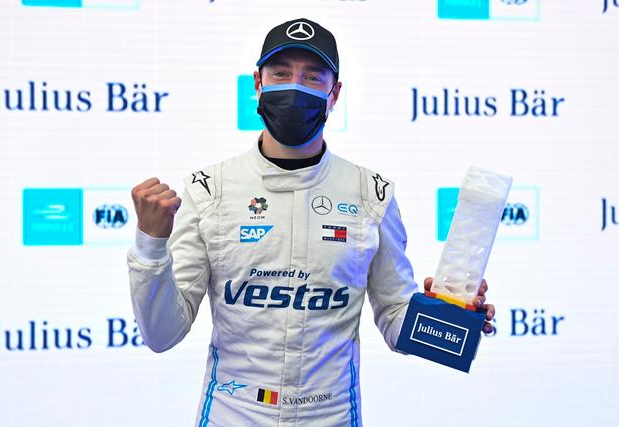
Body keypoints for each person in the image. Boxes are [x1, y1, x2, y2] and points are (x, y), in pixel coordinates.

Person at [127, 18, 495, 426]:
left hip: (331, 416)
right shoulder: (209, 190)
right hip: (234, 415)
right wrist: (150, 245)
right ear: (258, 83)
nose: (295, 87)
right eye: (281, 73)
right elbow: (161, 334)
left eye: (312, 77)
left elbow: (394, 319)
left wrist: (450, 318)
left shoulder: (371, 194)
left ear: (334, 93)